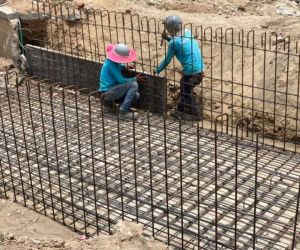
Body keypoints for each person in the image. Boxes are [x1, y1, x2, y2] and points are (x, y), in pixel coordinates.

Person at [154, 15, 205, 121]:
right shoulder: (187, 32)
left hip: (191, 72)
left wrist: (157, 70)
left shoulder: (173, 43)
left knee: (186, 92)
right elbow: (180, 44)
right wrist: (167, 38)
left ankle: (196, 115)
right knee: (184, 89)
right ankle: (179, 111)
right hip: (200, 70)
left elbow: (167, 60)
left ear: (169, 28)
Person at [99, 43, 143, 120]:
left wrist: (125, 67)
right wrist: (134, 78)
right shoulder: (111, 64)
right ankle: (123, 112)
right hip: (107, 93)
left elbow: (119, 65)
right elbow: (121, 80)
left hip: (112, 92)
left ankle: (120, 108)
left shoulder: (112, 62)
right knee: (134, 85)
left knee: (136, 95)